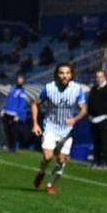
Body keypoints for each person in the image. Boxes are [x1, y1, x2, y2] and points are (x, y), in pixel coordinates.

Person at [31, 63, 87, 195]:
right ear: (57, 74)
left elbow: (83, 109)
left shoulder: (77, 89)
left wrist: (75, 119)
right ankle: (41, 171)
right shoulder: (49, 88)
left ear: (71, 74)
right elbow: (35, 103)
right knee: (47, 156)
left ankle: (51, 184)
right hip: (50, 127)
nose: (64, 76)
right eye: (62, 73)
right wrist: (35, 124)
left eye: (67, 73)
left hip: (67, 130)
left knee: (61, 160)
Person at [87, 69, 107, 169]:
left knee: (104, 142)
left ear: (105, 77)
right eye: (97, 77)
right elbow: (90, 102)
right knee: (96, 142)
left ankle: (106, 162)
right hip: (93, 119)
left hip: (104, 119)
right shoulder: (94, 89)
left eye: (100, 77)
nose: (98, 79)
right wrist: (90, 114)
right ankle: (96, 161)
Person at [0, 73, 29, 152]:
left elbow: (22, 104)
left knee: (13, 131)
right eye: (19, 79)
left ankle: (12, 147)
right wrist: (3, 109)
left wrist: (18, 115)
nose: (20, 81)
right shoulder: (12, 89)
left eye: (21, 80)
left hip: (14, 114)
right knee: (6, 130)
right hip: (7, 112)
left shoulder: (22, 92)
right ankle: (7, 145)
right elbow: (7, 100)